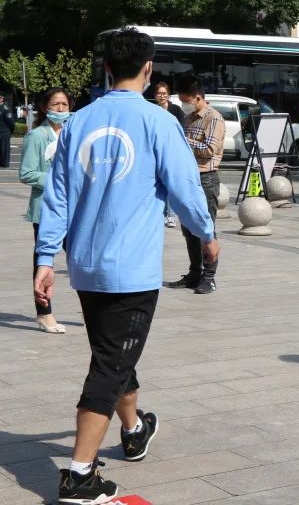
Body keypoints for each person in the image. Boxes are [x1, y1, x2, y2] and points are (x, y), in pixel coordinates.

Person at [34, 27, 220, 505]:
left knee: (113, 354)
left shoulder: (78, 122)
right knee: (110, 364)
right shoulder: (159, 122)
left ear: (107, 68)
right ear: (149, 68)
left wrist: (45, 257)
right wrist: (207, 235)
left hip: (85, 266)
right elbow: (186, 188)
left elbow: (57, 197)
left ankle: (134, 429)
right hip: (132, 270)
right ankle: (80, 475)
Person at [166, 75, 225, 294]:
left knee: (206, 228)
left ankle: (209, 277)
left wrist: (183, 141)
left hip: (206, 178)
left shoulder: (214, 118)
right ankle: (194, 272)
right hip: (187, 177)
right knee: (189, 228)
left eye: (186, 101)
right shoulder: (188, 118)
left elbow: (209, 149)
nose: (184, 105)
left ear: (197, 98)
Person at [20, 88, 72, 334]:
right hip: (46, 208)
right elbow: (27, 173)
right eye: (55, 104)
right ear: (44, 107)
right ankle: (44, 313)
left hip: (73, 208)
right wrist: (57, 180)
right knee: (43, 261)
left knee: (78, 259)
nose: (61, 108)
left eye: (64, 104)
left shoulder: (72, 132)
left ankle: (92, 308)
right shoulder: (37, 136)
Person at [153, 82, 186, 227]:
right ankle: (160, 214)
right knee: (158, 183)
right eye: (159, 93)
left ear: (169, 95)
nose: (162, 96)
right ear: (155, 95)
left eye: (164, 93)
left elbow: (182, 129)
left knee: (170, 182)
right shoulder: (152, 110)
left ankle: (171, 215)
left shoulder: (176, 110)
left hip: (172, 149)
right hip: (156, 150)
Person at [0, 94, 13, 168]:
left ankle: (5, 164)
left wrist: (11, 129)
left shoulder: (6, 108)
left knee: (4, 149)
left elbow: (10, 120)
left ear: (2, 99)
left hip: (4, 132)